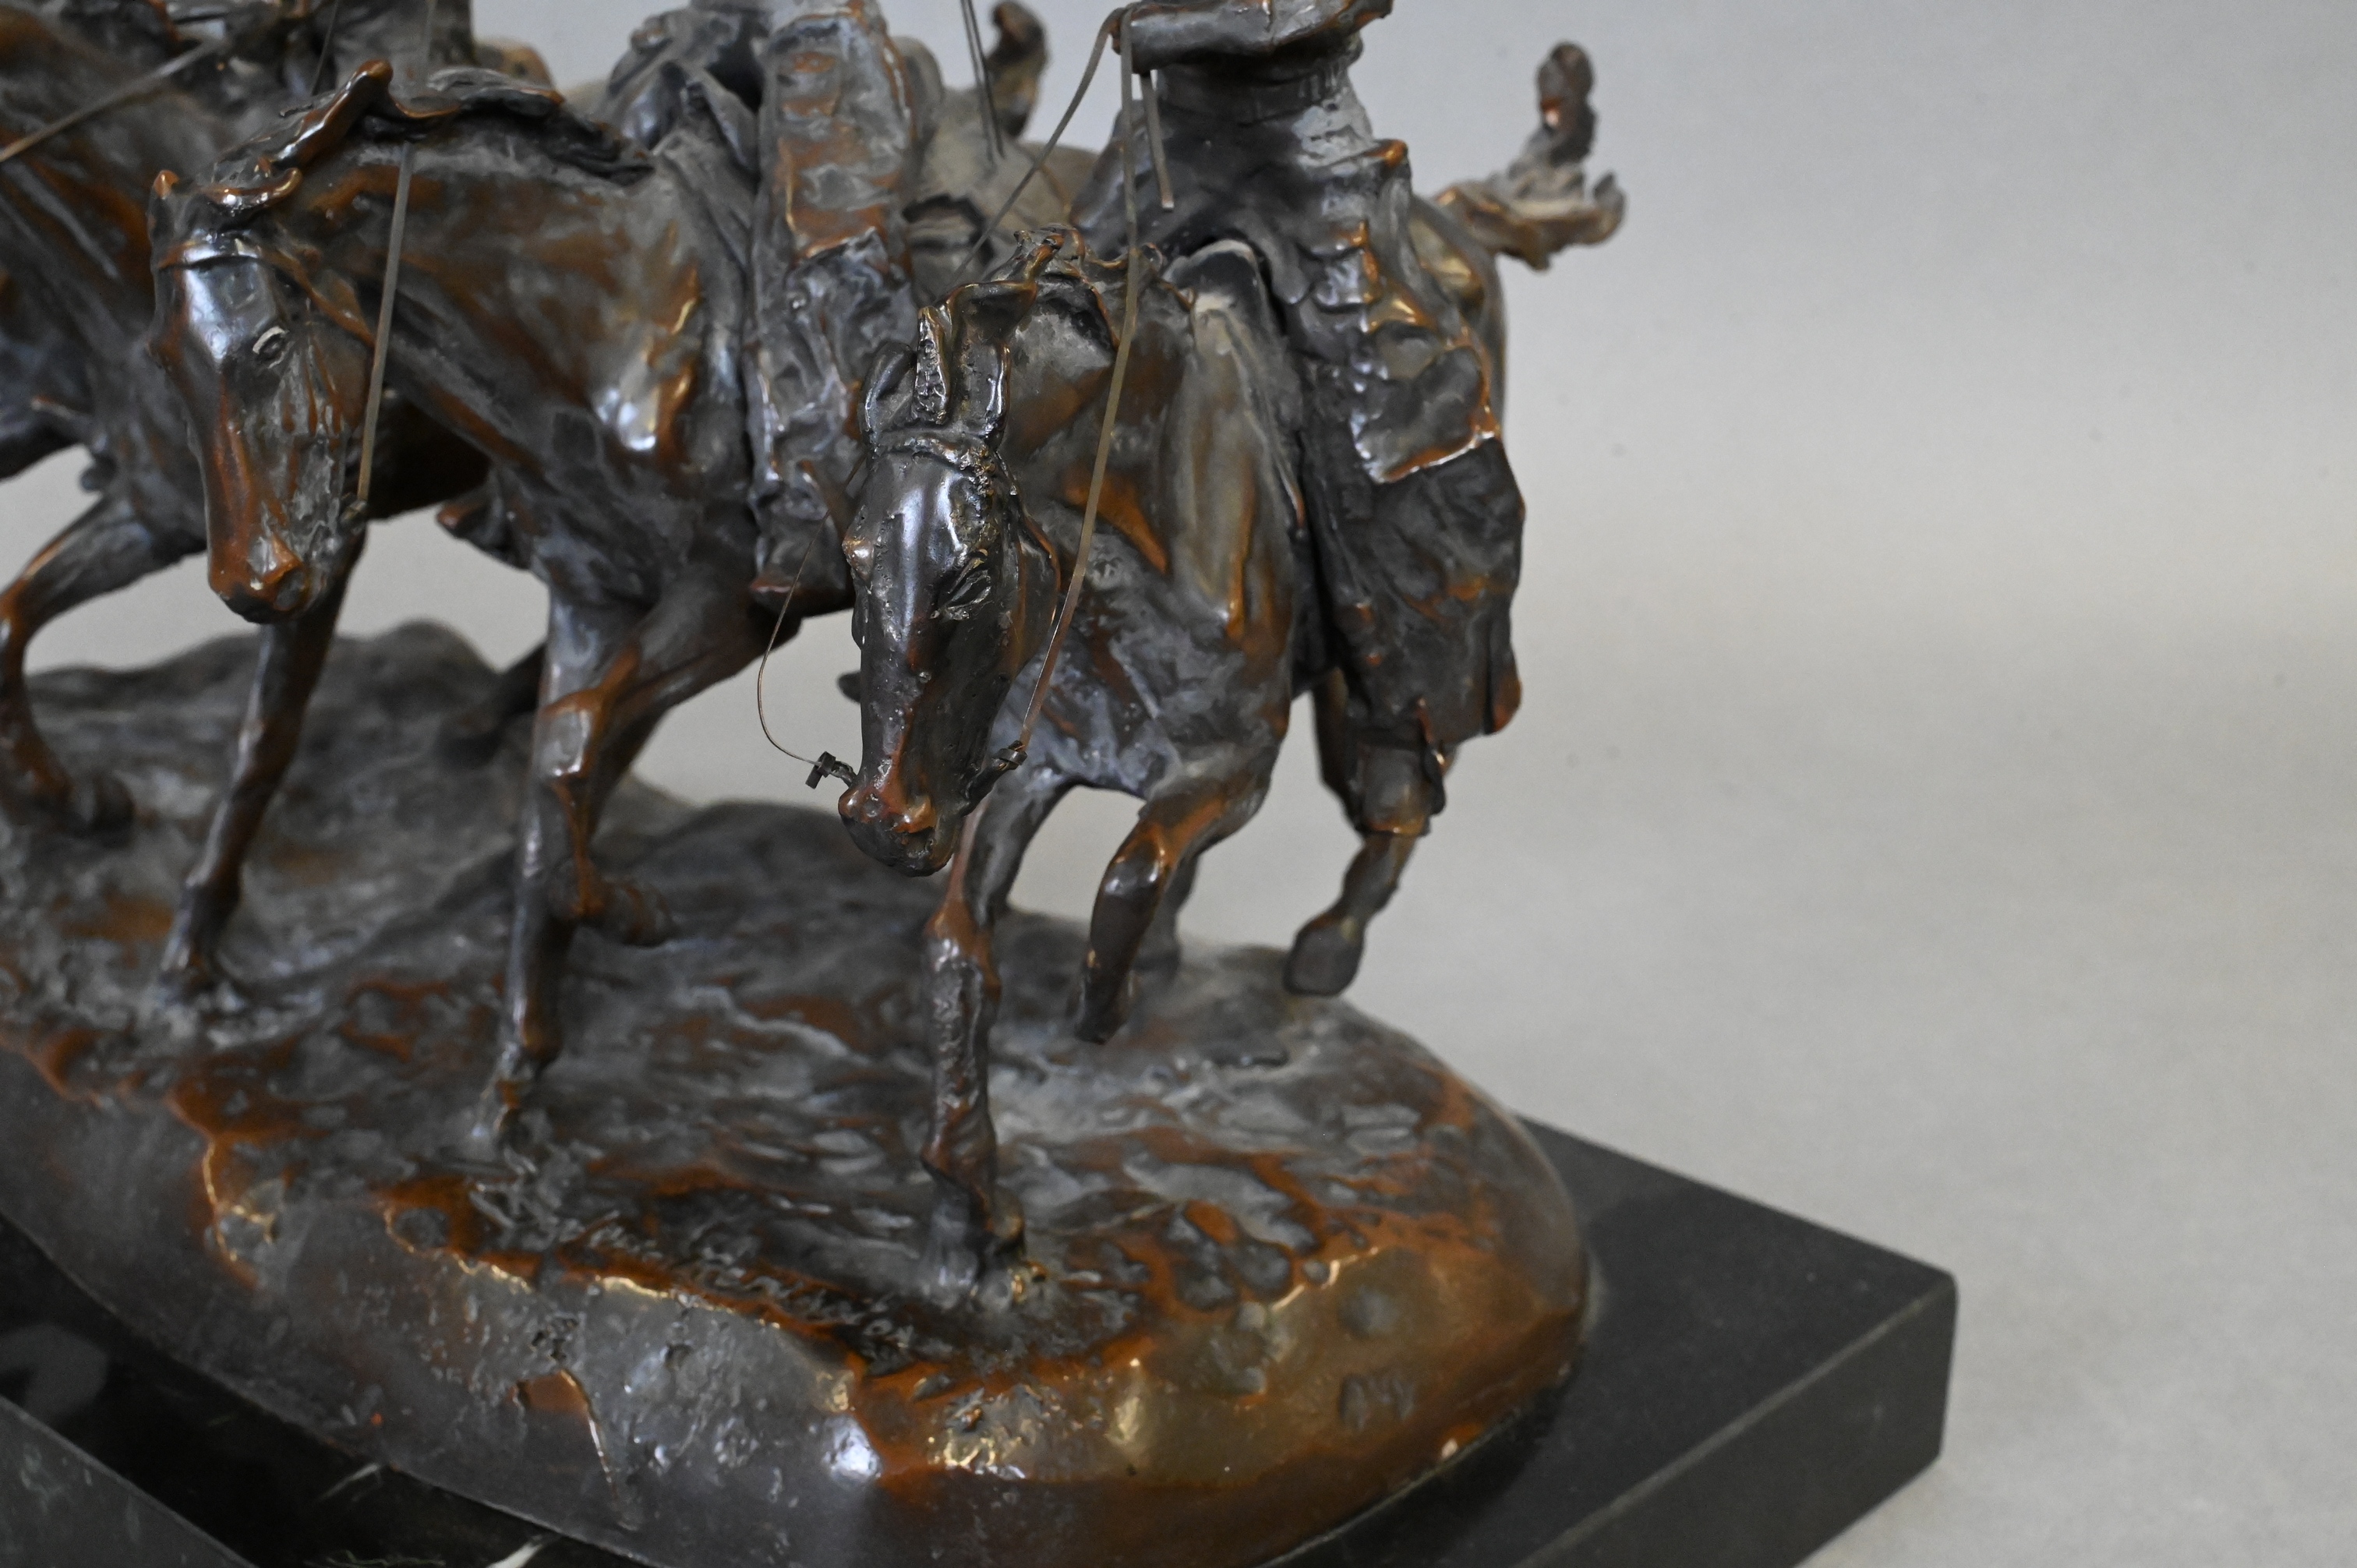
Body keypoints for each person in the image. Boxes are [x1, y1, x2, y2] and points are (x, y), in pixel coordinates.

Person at [1070, 1, 1527, 995]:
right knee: (1028, 340)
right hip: (1168, 141)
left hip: (1305, 157)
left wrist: (1190, 31)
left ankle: (1400, 721)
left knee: (1391, 442)